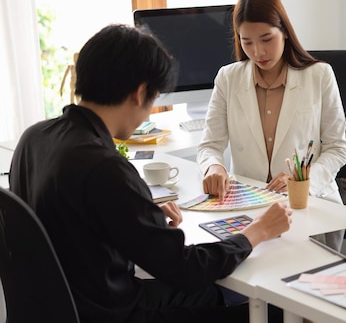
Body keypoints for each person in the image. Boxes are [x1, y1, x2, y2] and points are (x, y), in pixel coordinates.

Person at [9, 24, 293, 323]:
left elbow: (66, 223)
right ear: (141, 92)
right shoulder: (104, 168)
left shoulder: (35, 138)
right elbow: (187, 270)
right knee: (270, 310)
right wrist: (256, 232)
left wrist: (136, 215)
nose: (148, 113)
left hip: (61, 307)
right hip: (113, 312)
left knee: (219, 294)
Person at [197, 0, 346, 204]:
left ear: (285, 31)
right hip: (248, 200)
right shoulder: (228, 78)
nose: (258, 52)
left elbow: (337, 148)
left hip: (307, 201)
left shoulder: (319, 75)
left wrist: (302, 182)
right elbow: (210, 145)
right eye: (247, 42)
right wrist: (214, 166)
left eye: (266, 39)